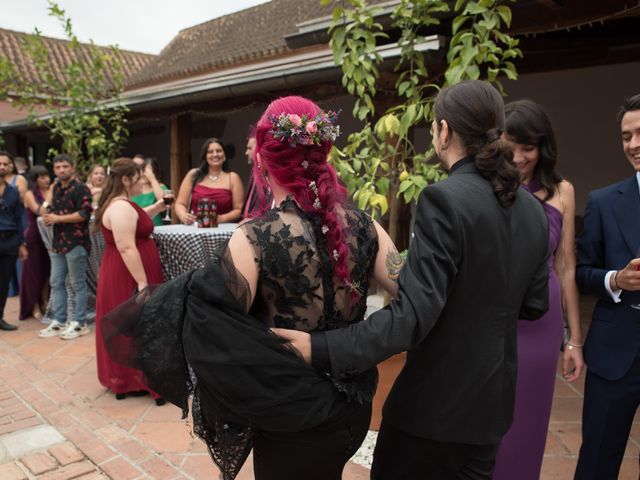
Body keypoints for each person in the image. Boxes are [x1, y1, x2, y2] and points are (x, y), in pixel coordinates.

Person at [101, 95, 400, 480]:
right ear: (323, 154)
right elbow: (413, 299)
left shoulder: (252, 239)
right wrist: (355, 344)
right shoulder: (366, 226)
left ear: (259, 159)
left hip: (292, 419)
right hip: (354, 407)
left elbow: (214, 333)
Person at [275, 81, 550, 479]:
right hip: (490, 408)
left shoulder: (445, 199)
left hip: (433, 410)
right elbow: (533, 302)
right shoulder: (531, 209)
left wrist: (319, 348)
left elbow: (410, 318)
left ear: (443, 131)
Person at [492, 100, 584, 479]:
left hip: (542, 321)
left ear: (542, 147)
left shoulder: (563, 191)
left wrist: (574, 340)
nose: (518, 157)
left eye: (527, 147)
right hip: (496, 315)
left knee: (528, 420)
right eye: (510, 146)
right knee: (490, 418)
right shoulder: (489, 187)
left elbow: (566, 268)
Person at [574, 93, 640, 479]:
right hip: (615, 355)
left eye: (639, 133)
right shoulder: (602, 201)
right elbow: (581, 271)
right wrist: (615, 279)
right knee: (598, 460)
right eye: (625, 136)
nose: (633, 145)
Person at [93, 157, 165, 404]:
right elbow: (126, 246)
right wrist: (143, 283)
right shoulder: (121, 207)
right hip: (129, 275)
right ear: (124, 180)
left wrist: (156, 208)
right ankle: (132, 380)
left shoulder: (123, 204)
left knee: (133, 325)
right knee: (136, 324)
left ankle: (127, 381)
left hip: (126, 271)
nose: (141, 181)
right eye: (137, 177)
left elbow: (135, 221)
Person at [38, 154, 93, 340]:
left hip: (76, 242)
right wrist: (49, 196)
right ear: (54, 170)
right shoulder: (56, 190)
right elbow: (43, 211)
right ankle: (60, 321)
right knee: (56, 282)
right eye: (58, 167)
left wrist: (58, 219)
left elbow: (84, 214)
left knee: (77, 283)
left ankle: (79, 323)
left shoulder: (81, 188)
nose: (62, 170)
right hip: (58, 242)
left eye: (65, 166)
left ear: (72, 168)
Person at [174, 138, 244, 224]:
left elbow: (239, 209)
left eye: (219, 151)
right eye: (210, 152)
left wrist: (222, 218)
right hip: (195, 229)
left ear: (224, 155)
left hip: (224, 230)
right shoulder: (193, 175)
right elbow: (180, 203)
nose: (215, 154)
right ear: (205, 156)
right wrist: (183, 215)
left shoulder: (233, 178)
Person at [19, 165, 52, 320]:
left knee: (47, 272)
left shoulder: (52, 191)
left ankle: (45, 301)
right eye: (41, 177)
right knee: (34, 272)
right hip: (34, 237)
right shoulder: (29, 194)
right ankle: (33, 305)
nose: (46, 179)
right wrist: (49, 199)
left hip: (51, 237)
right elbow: (39, 211)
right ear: (35, 179)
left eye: (47, 176)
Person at [0, 154, 28, 331]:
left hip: (9, 241)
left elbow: (20, 219)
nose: (2, 167)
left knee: (3, 283)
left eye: (5, 164)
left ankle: (0, 317)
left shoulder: (13, 192)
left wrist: (21, 243)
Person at [130, 155, 168, 226]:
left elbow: (163, 200)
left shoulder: (160, 186)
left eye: (149, 170)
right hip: (135, 225)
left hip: (155, 227)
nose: (146, 174)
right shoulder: (136, 187)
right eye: (143, 169)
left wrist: (152, 179)